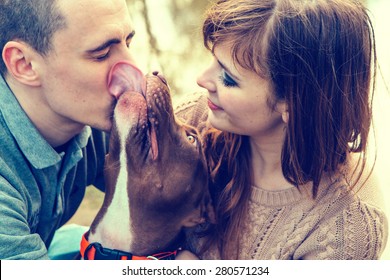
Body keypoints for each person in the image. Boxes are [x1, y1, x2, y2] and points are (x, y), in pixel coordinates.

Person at [176, 0, 388, 259]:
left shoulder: (345, 229)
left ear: (293, 102)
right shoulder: (195, 119)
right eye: (213, 59)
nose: (202, 79)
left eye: (228, 78)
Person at [0, 0, 136, 259]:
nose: (134, 69)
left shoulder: (88, 113)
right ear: (24, 64)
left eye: (128, 43)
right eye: (101, 54)